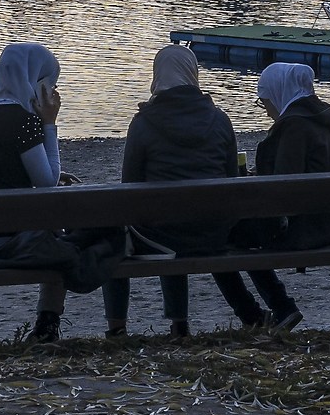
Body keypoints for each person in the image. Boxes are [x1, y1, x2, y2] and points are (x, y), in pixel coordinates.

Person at [101, 45, 269, 339]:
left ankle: (118, 327)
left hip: (162, 236)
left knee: (114, 235)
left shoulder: (143, 123)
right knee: (183, 218)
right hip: (214, 233)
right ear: (193, 74)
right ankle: (194, 323)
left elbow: (129, 185)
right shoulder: (220, 120)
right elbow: (232, 180)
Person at [0, 43, 74, 345]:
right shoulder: (24, 122)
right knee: (64, 245)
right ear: (36, 80)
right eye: (50, 83)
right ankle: (47, 325)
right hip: (5, 241)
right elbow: (46, 183)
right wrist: (49, 125)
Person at [227, 63, 330, 331]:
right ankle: (278, 307)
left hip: (307, 229)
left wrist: (252, 183)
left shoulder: (294, 128)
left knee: (220, 239)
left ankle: (274, 309)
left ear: (278, 93)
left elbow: (281, 191)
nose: (267, 110)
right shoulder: (326, 123)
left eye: (265, 103)